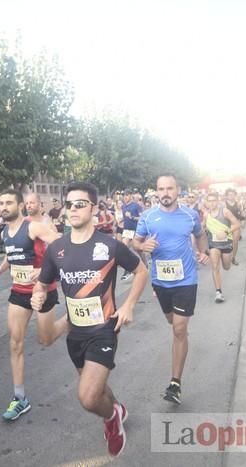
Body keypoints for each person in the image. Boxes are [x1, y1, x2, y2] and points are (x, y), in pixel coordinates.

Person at [32, 181, 148, 458]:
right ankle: (116, 408)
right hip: (76, 333)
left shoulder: (109, 245)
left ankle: (112, 421)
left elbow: (141, 271)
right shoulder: (56, 249)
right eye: (69, 204)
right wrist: (38, 297)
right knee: (96, 388)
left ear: (93, 208)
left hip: (104, 328)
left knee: (87, 396)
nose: (73, 208)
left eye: (80, 204)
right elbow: (42, 283)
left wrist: (129, 305)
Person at [133, 174, 210, 405]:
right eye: (161, 189)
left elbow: (200, 235)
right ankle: (181, 336)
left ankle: (175, 383)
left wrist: (204, 251)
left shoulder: (190, 215)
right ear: (156, 192)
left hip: (186, 279)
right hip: (161, 281)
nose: (165, 193)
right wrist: (142, 245)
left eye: (169, 188)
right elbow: (135, 242)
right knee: (173, 323)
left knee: (178, 328)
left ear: (178, 190)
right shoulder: (147, 217)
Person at [0, 189, 62, 422]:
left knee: (46, 339)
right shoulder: (5, 232)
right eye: (1, 203)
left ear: (20, 205)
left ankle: (71, 321)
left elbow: (62, 246)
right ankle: (20, 397)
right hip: (19, 292)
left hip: (42, 290)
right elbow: (12, 254)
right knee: (15, 343)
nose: (4, 206)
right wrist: (0, 270)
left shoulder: (33, 226)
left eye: (9, 202)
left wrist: (44, 271)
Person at [203, 192, 240, 303]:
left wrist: (226, 231)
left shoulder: (225, 211)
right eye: (209, 201)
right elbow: (203, 227)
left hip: (226, 244)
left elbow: (237, 224)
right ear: (207, 202)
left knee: (226, 267)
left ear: (218, 201)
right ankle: (218, 293)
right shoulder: (206, 214)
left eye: (214, 200)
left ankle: (230, 260)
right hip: (213, 245)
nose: (212, 203)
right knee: (215, 266)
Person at [120, 190, 143, 280]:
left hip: (136, 229)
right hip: (127, 230)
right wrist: (121, 222)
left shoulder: (136, 205)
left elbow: (141, 217)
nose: (125, 197)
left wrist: (132, 217)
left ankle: (144, 265)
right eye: (124, 196)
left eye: (127, 195)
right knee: (124, 247)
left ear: (130, 196)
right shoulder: (123, 206)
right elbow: (124, 218)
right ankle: (128, 269)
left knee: (138, 249)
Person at [224, 188, 244, 265]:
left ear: (235, 195)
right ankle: (226, 257)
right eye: (229, 194)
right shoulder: (224, 204)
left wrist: (242, 220)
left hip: (235, 225)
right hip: (226, 225)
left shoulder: (238, 204)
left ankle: (233, 257)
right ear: (226, 196)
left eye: (233, 194)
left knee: (235, 242)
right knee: (226, 242)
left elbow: (241, 214)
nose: (231, 196)